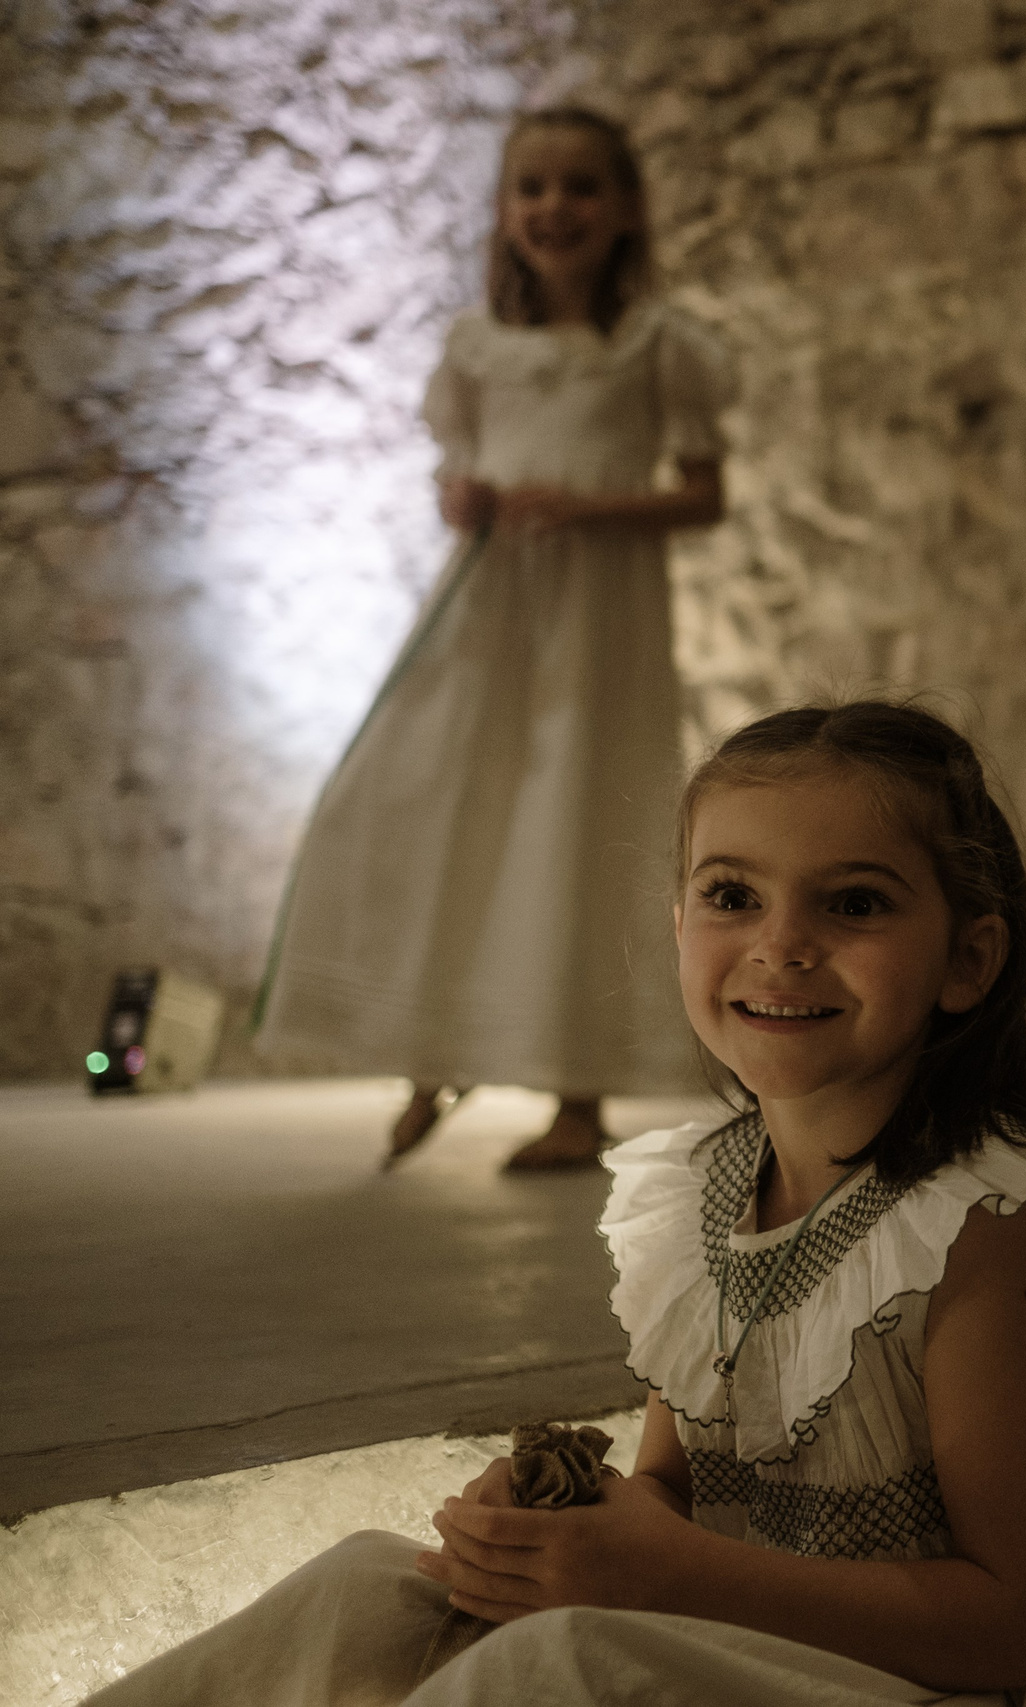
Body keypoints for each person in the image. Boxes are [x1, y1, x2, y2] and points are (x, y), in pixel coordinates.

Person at [91, 702, 1026, 1705]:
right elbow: (676, 1492)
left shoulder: (981, 1241)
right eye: (733, 895)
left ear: (968, 960)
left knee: (559, 1675)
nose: (781, 946)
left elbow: (1013, 1626)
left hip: (1008, 1686)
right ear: (678, 922)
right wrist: (568, 1530)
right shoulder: (703, 1194)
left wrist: (662, 1578)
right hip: (829, 1646)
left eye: (852, 904)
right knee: (373, 1589)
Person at [255, 106, 729, 1169]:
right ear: (505, 213)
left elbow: (703, 496)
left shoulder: (658, 347)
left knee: (579, 824)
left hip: (601, 625)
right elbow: (454, 481)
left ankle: (577, 1099)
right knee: (442, 805)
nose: (553, 207)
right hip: (490, 620)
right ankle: (431, 1052)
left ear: (625, 210)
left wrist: (588, 510)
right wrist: (463, 498)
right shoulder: (473, 351)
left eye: (579, 187)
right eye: (532, 188)